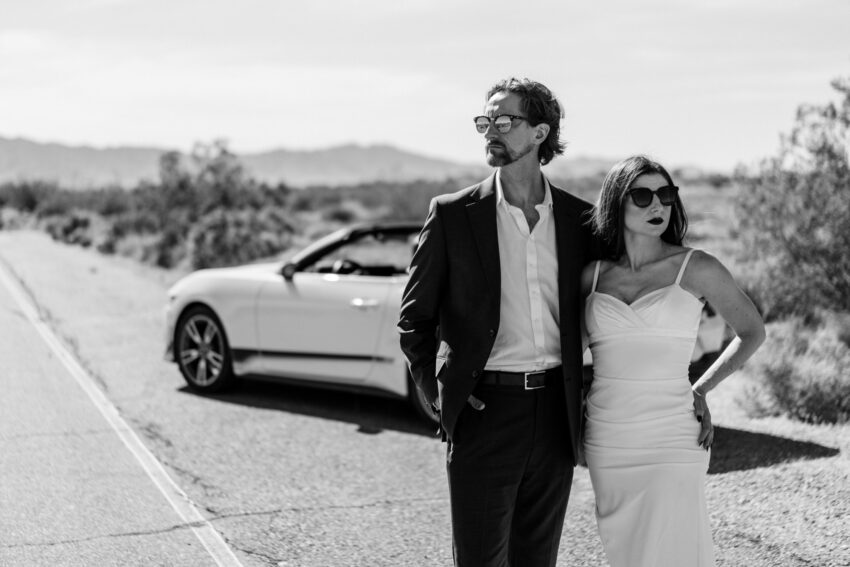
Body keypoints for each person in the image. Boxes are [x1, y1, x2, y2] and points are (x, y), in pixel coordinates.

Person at [398, 77, 601, 566]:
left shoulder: (580, 221)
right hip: (485, 409)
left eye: (505, 121)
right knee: (480, 560)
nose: (492, 130)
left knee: (537, 558)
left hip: (557, 412)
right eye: (486, 121)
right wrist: (441, 390)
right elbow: (414, 321)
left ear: (539, 133)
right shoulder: (451, 215)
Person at [581, 155, 765, 567]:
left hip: (673, 433)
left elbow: (752, 331)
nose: (656, 206)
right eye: (642, 195)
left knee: (673, 550)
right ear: (615, 202)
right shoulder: (591, 275)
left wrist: (702, 388)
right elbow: (567, 356)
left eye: (665, 194)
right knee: (626, 553)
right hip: (608, 436)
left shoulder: (696, 267)